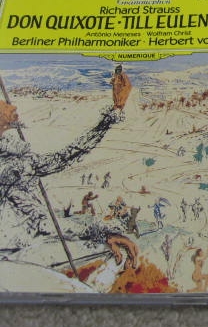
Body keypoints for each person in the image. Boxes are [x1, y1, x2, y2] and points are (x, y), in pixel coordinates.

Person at [0, 72, 129, 238]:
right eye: (3, 106)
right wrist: (102, 232)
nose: (13, 107)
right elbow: (41, 222)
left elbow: (65, 156)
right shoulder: (11, 170)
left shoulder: (15, 158)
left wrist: (113, 114)